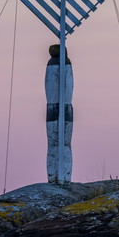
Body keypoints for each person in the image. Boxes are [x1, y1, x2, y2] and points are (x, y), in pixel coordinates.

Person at [44, 44, 73, 183]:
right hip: (54, 110)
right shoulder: (55, 64)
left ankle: (62, 177)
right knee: (56, 144)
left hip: (63, 110)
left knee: (63, 144)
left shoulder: (65, 65)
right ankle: (56, 177)